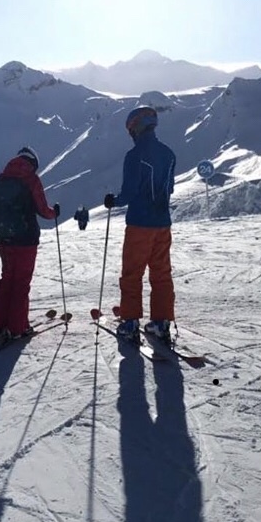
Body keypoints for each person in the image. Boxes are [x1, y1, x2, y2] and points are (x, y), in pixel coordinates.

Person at [104, 105, 176, 345]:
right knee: (161, 273)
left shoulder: (134, 156)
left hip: (139, 225)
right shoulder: (169, 154)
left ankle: (130, 323)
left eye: (131, 129)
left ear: (136, 127)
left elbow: (129, 192)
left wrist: (114, 200)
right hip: (163, 224)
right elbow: (170, 189)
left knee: (132, 274)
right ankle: (161, 323)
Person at [0, 146, 59, 341]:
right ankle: (17, 328)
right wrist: (55, 213)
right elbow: (43, 210)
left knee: (6, 279)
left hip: (4, 238)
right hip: (26, 239)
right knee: (21, 282)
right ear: (32, 164)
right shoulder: (30, 179)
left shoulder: (1, 178)